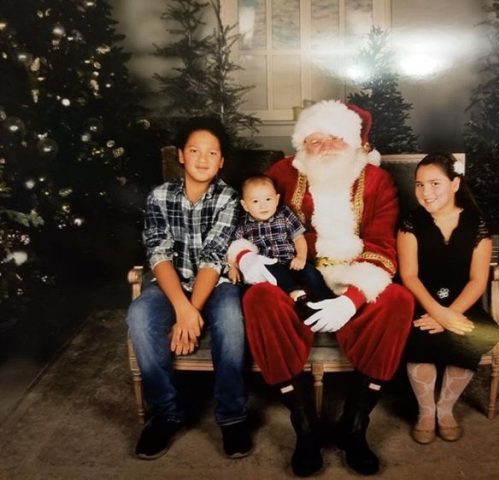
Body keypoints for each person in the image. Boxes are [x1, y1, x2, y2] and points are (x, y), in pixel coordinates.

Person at [228, 100, 414, 477]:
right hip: (298, 277)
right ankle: (305, 425)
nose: (325, 147)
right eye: (315, 139)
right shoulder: (282, 173)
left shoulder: (377, 181)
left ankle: (355, 424)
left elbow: (381, 245)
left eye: (335, 138)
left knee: (398, 300)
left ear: (354, 142)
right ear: (301, 144)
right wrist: (245, 256)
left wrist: (351, 300)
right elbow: (245, 216)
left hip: (354, 274)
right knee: (260, 297)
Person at [126, 116, 251, 460]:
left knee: (229, 317)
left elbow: (214, 258)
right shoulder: (159, 196)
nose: (202, 158)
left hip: (217, 284)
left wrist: (190, 310)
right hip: (171, 283)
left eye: (212, 153)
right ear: (180, 155)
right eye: (194, 150)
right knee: (139, 315)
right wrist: (182, 308)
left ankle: (232, 414)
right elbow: (158, 252)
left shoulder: (228, 198)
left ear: (221, 161)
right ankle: (166, 412)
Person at [397, 152, 499, 444]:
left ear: (455, 184)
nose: (425, 192)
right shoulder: (411, 222)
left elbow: (478, 279)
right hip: (421, 301)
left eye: (434, 183)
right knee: (419, 336)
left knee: (467, 337)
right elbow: (409, 276)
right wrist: (437, 313)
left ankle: (445, 409)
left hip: (462, 303)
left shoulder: (477, 223)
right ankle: (426, 410)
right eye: (419, 185)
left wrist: (450, 315)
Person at [228, 174, 335, 316]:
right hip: (269, 268)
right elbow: (235, 247)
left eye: (268, 199)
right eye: (255, 201)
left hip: (291, 261)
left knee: (312, 273)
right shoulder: (244, 224)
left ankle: (328, 300)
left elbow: (298, 237)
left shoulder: (284, 214)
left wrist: (301, 257)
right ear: (245, 205)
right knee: (273, 276)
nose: (263, 205)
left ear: (277, 199)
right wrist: (232, 267)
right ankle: (297, 295)